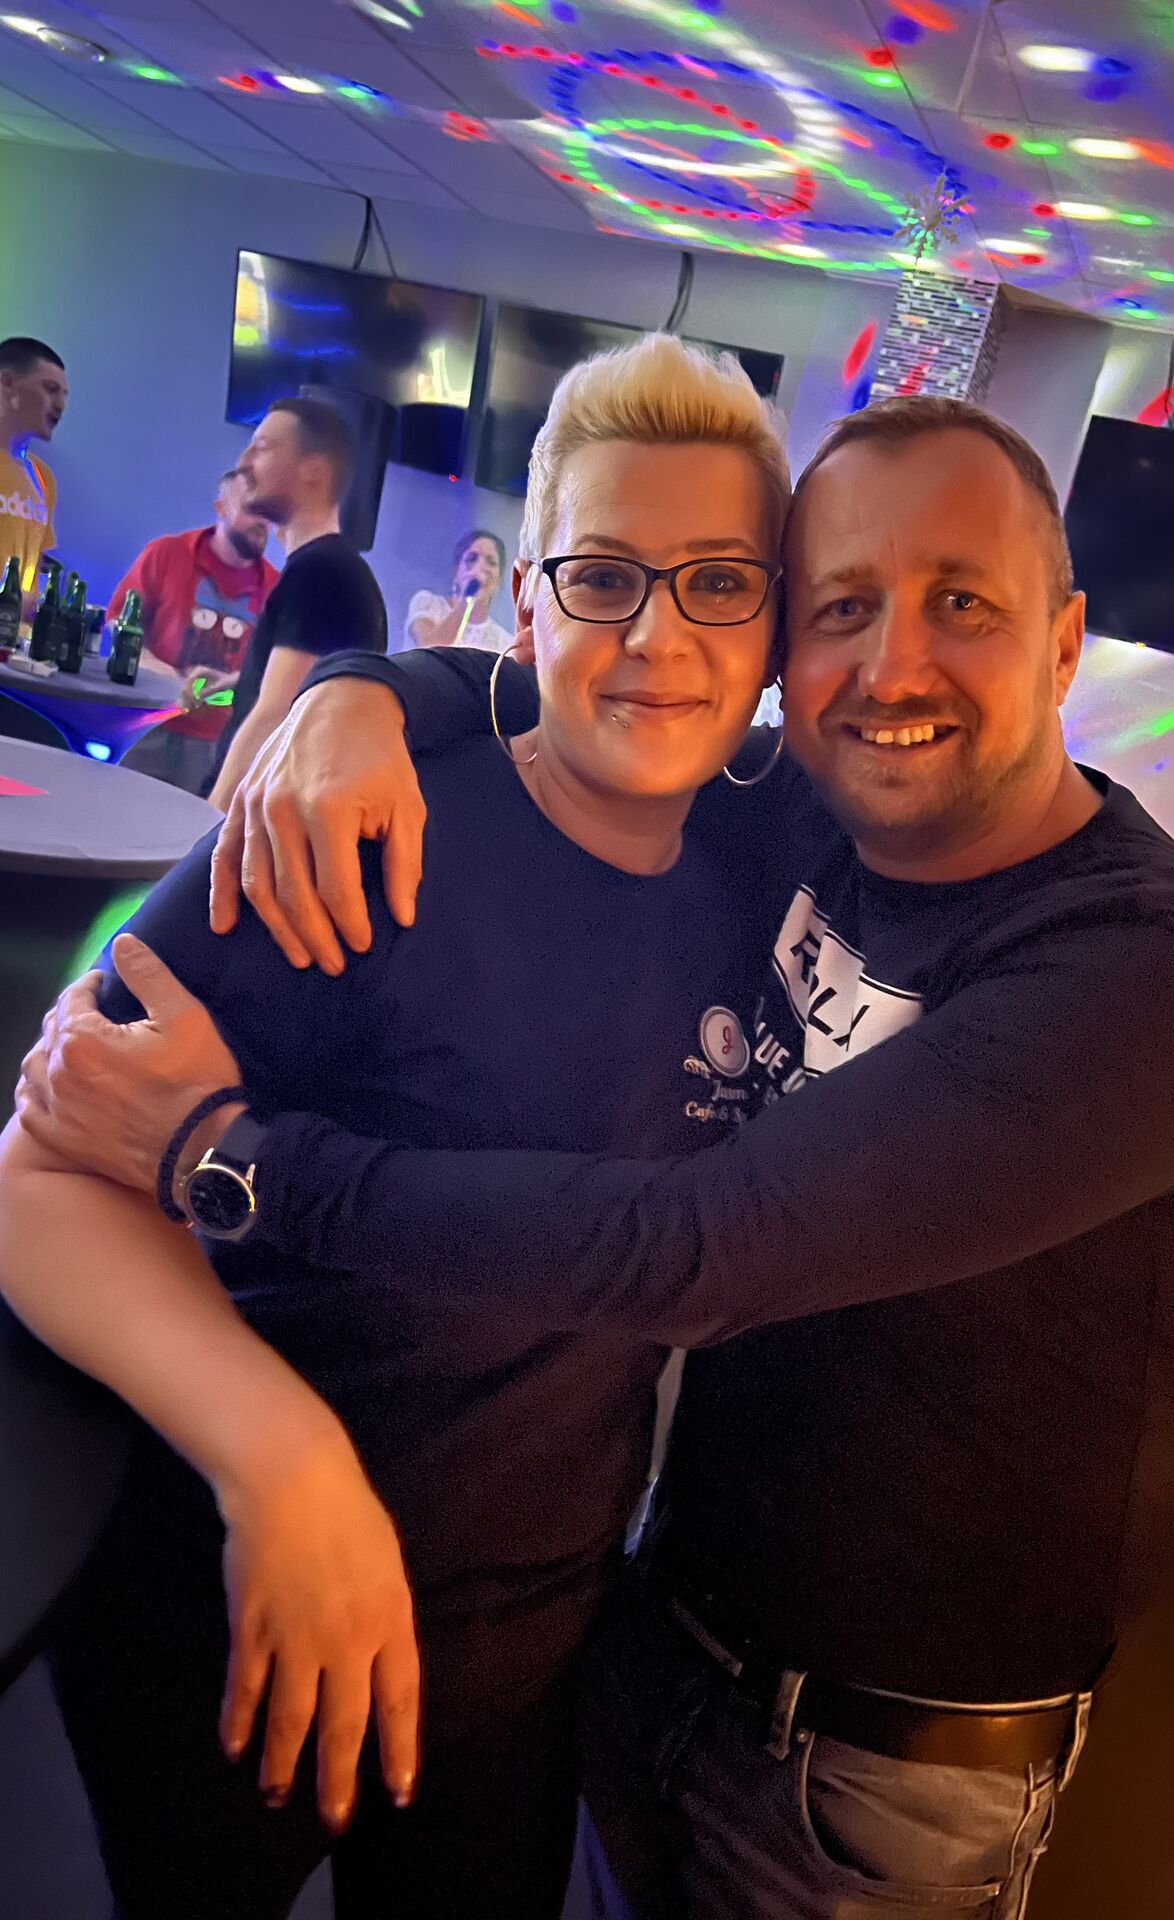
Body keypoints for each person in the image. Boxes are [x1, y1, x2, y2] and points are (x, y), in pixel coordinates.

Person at [32, 394, 1174, 1919]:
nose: (893, 665)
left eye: (964, 603)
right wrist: (362, 684)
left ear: (1067, 642)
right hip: (533, 1632)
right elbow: (45, 1159)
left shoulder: (1131, 967)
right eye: (843, 606)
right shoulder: (747, 818)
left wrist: (229, 1155)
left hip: (846, 1759)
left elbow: (694, 1253)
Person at [0, 335, 789, 1920]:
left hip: (531, 1649)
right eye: (603, 578)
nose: (657, 636)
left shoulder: (771, 863)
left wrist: (366, 679)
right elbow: (38, 1176)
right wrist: (280, 1460)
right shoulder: (352, 833)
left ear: (772, 628)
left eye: (719, 583)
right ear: (527, 606)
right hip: (238, 1605)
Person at [207, 397, 387, 811]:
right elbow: (314, 687)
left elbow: (276, 716)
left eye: (262, 448)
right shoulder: (332, 569)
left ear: (315, 471)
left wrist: (207, 822)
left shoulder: (319, 573)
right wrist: (239, 681)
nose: (243, 461)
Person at [112, 469, 278, 795]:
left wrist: (234, 683)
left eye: (268, 512)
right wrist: (162, 673)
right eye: (251, 508)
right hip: (148, 725)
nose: (262, 522)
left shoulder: (277, 587)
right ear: (221, 508)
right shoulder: (166, 553)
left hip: (219, 744)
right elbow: (118, 623)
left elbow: (274, 671)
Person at [0, 336, 67, 609]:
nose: (60, 405)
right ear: (7, 383)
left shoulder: (42, 478)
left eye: (64, 395)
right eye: (50, 389)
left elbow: (33, 574)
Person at [402, 528, 513, 654]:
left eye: (491, 562)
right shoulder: (427, 604)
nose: (480, 567)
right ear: (455, 572)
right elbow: (430, 651)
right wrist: (469, 596)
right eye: (472, 559)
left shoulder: (505, 644)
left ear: (499, 580)